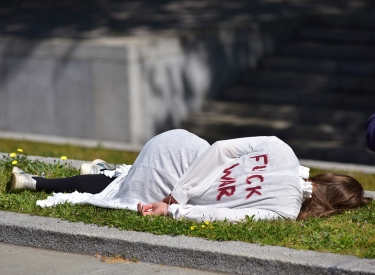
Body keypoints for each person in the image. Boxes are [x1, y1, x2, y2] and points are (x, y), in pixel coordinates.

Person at [9, 129, 372, 222]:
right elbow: (223, 215)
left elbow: (219, 149)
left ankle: (37, 180)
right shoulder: (284, 212)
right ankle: (38, 182)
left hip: (176, 143)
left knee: (124, 177)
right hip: (169, 183)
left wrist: (183, 189)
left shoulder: (282, 150)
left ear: (325, 178)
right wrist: (175, 205)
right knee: (116, 189)